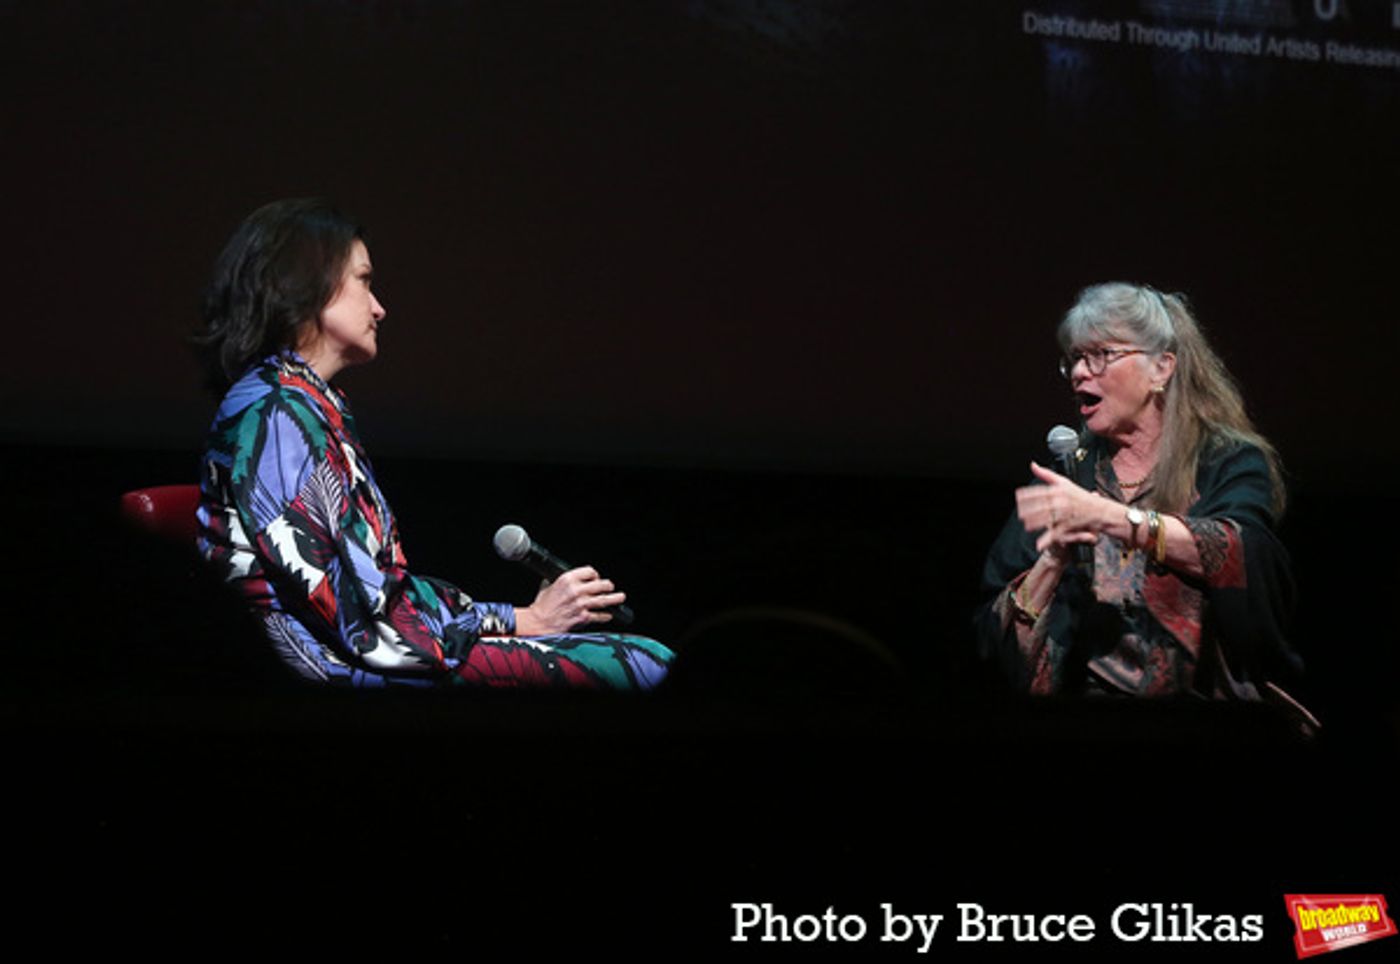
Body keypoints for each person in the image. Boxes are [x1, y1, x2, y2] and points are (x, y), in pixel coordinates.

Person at [193, 198, 673, 689]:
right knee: (646, 665)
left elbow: (379, 597)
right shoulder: (278, 414)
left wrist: (518, 618)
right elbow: (367, 625)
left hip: (365, 654)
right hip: (335, 671)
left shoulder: (303, 403)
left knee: (643, 659)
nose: (379, 307)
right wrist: (523, 621)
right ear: (306, 282)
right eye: (364, 280)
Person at [974, 283, 1310, 718]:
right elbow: (993, 636)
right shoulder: (1067, 478)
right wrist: (1053, 559)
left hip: (1205, 722)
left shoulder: (1223, 460)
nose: (1080, 372)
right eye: (1075, 358)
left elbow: (1244, 554)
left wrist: (1112, 517)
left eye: (1101, 355)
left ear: (1161, 369)